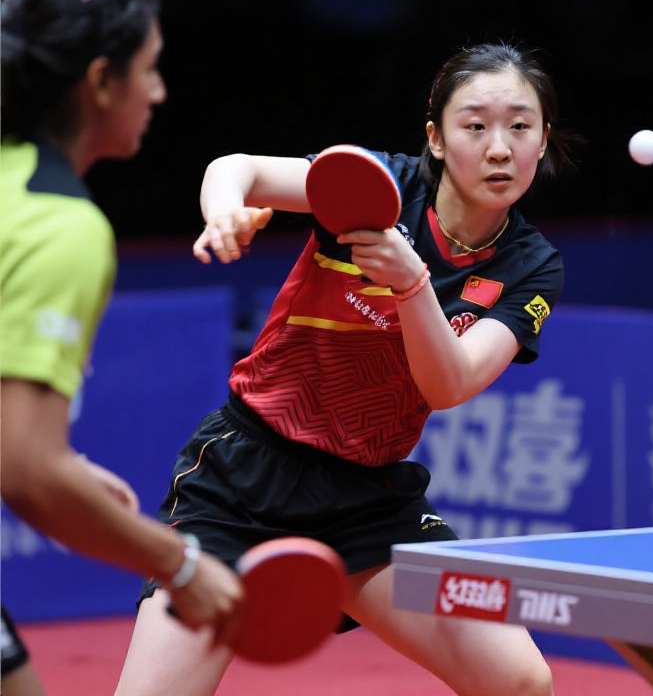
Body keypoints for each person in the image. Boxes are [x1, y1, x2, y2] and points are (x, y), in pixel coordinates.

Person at [114, 41, 581, 696]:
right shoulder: (375, 189)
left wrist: (411, 285)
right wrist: (225, 211)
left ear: (543, 139)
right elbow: (238, 168)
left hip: (368, 500)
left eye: (520, 127)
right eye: (475, 126)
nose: (499, 148)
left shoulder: (529, 267)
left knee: (520, 682)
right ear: (437, 139)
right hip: (243, 480)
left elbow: (448, 384)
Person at [0, 0, 245, 696]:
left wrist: (61, 468)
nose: (159, 91)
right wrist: (181, 564)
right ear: (102, 81)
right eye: (150, 68)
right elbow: (25, 471)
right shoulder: (61, 229)